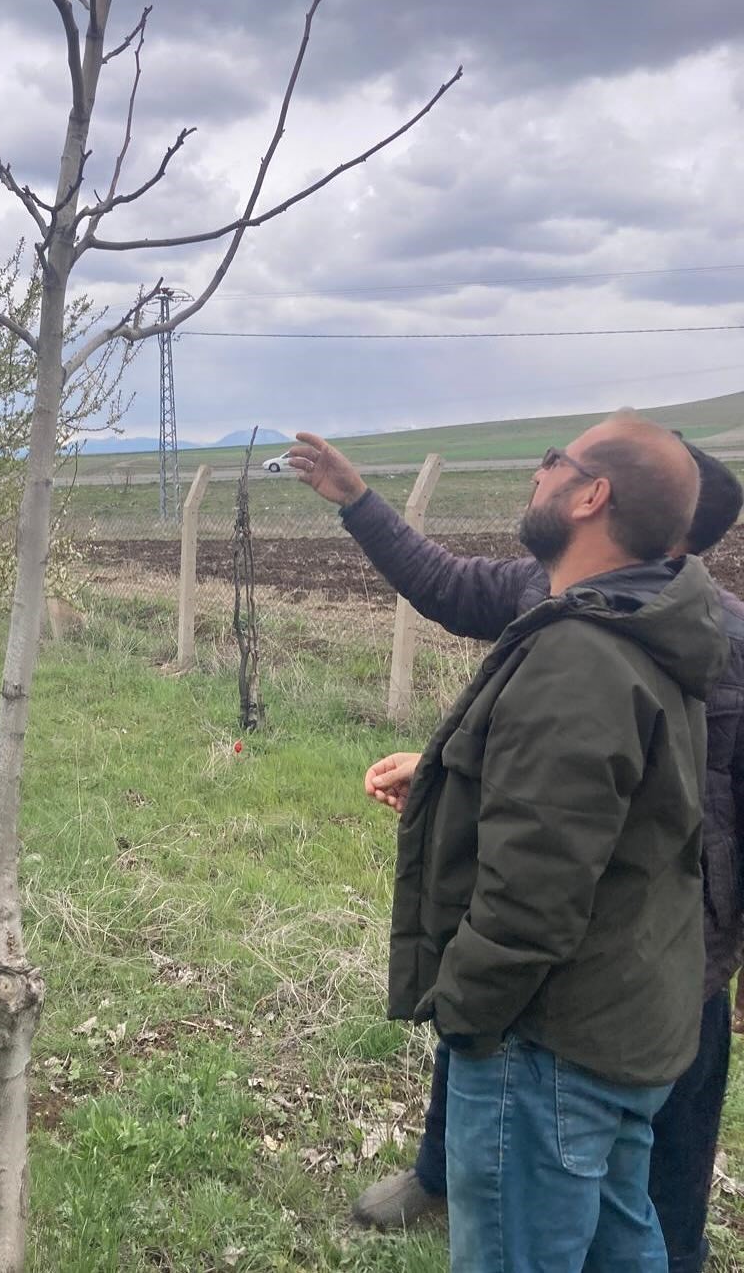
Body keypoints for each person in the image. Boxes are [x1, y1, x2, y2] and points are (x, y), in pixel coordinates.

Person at [291, 427, 744, 1273]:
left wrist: (463, 1011)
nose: (539, 470)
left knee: (636, 1200)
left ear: (596, 499)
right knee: (620, 1215)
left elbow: (538, 877)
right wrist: (446, 770)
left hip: (587, 998)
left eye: (557, 463)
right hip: (620, 974)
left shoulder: (593, 648)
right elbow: (587, 780)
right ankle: (445, 1169)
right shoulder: (636, 619)